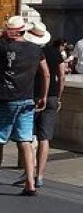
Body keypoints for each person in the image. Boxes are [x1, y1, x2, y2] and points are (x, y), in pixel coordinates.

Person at [0, 16, 50, 196]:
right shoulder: (36, 50)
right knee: (25, 141)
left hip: (5, 98)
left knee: (0, 139)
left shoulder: (3, 47)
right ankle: (30, 182)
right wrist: (42, 96)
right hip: (28, 99)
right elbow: (46, 74)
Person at [19, 30, 63, 191]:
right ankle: (40, 176)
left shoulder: (30, 52)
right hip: (51, 96)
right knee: (45, 138)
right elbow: (61, 75)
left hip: (31, 96)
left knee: (28, 137)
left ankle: (28, 172)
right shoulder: (54, 52)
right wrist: (58, 96)